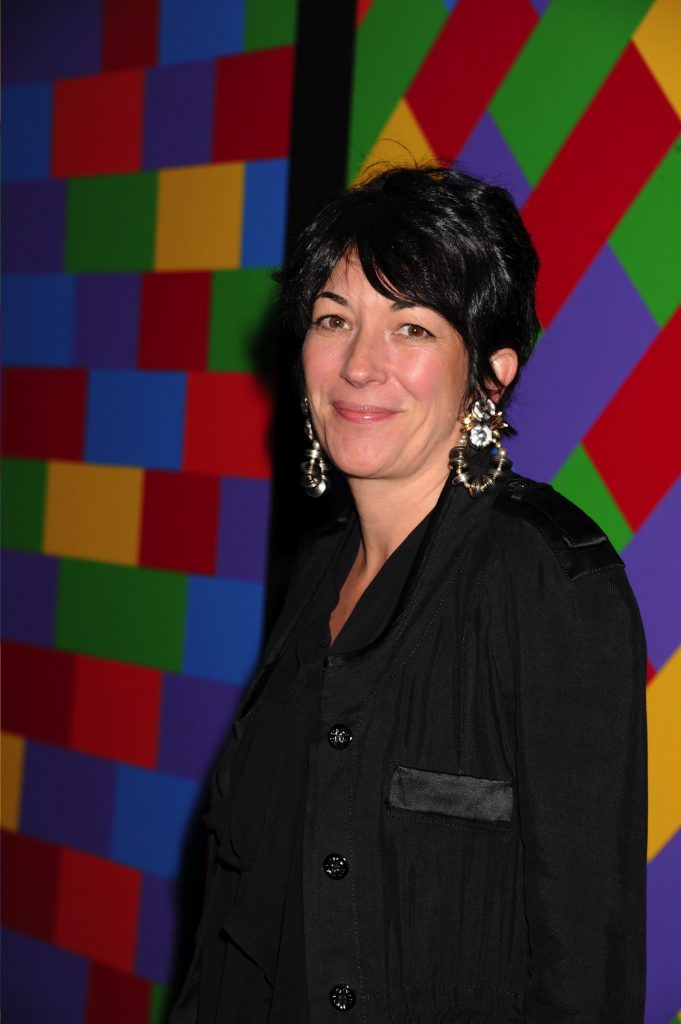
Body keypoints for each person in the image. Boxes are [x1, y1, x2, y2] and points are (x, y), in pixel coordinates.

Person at [171, 165, 647, 1023]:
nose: (359, 365)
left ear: (489, 376)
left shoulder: (545, 578)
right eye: (333, 319)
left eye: (412, 328)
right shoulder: (316, 570)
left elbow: (586, 962)